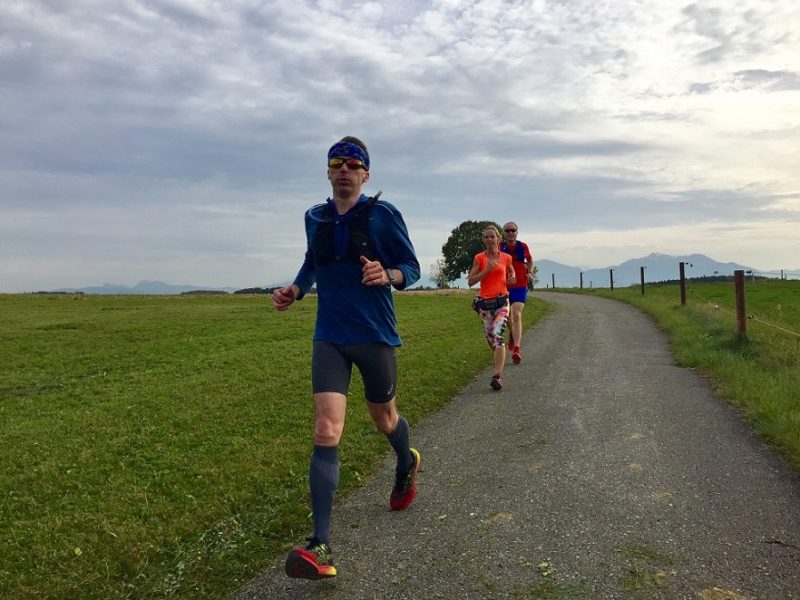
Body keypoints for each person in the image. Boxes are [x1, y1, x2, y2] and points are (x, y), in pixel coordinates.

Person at [272, 136, 421, 580]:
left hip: (374, 335)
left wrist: (387, 273)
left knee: (385, 419)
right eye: (336, 163)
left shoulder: (382, 214)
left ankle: (406, 460)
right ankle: (321, 544)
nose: (344, 170)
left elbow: (411, 269)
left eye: (353, 164)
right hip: (330, 337)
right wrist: (295, 290)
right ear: (328, 171)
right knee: (326, 427)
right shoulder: (313, 217)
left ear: (366, 174)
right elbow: (311, 264)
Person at [468, 225, 516, 391]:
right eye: (486, 237)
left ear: (498, 239)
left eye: (492, 237)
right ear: (483, 240)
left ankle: (497, 376)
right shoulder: (479, 258)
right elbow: (471, 281)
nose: (489, 240)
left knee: (497, 335)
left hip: (502, 301)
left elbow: (511, 273)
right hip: (485, 303)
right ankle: (500, 352)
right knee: (492, 340)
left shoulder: (506, 258)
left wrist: (512, 279)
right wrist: (487, 270)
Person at [500, 221, 534, 364]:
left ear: (517, 232)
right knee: (507, 317)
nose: (510, 233)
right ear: (504, 233)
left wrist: (530, 272)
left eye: (513, 230)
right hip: (504, 285)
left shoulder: (523, 246)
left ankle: (517, 349)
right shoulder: (499, 247)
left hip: (520, 284)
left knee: (517, 314)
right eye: (507, 230)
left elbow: (531, 260)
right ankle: (513, 336)